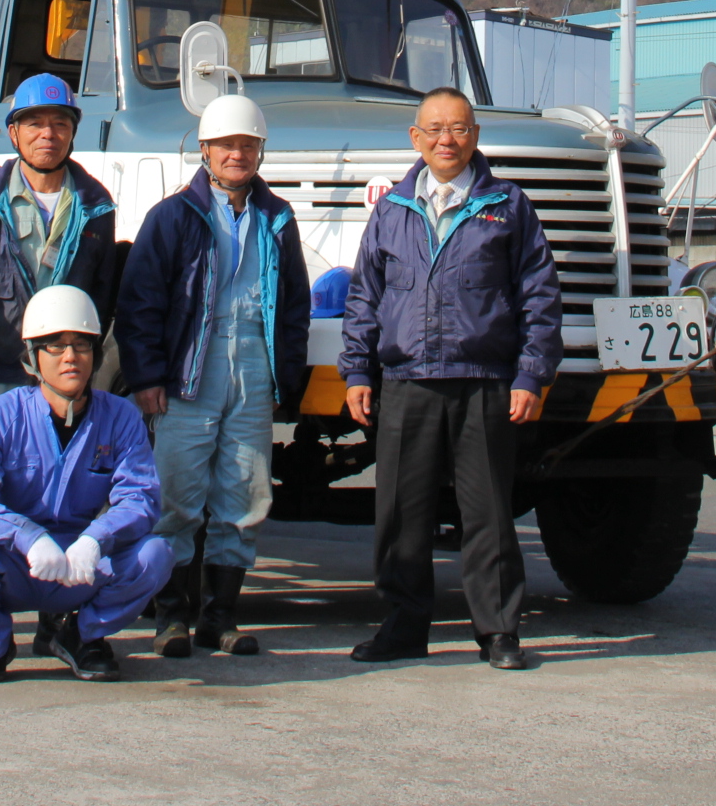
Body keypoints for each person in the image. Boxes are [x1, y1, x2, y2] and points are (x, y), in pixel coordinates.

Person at [339, 86, 562, 670]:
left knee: (487, 513)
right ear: (416, 138)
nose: (447, 139)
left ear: (475, 136)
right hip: (406, 379)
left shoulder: (507, 206)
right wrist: (357, 370)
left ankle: (498, 631)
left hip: (482, 380)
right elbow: (364, 297)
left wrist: (531, 375)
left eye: (459, 128)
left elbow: (539, 295)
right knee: (401, 514)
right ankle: (403, 626)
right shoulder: (392, 210)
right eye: (435, 129)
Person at [116, 91, 310, 658]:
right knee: (176, 496)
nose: (237, 154)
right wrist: (146, 377)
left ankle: (220, 618)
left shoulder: (278, 218)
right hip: (188, 372)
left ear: (260, 151)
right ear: (205, 150)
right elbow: (139, 304)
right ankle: (171, 617)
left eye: (247, 144)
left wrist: (285, 379)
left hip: (252, 367)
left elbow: (294, 305)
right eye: (226, 144)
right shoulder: (172, 216)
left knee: (244, 496)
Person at [0, 285, 176, 682]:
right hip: (14, 562)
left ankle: (80, 634)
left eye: (81, 345)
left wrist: (95, 539)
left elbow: (141, 498)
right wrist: (28, 537)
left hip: (81, 565)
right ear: (33, 356)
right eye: (55, 346)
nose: (70, 357)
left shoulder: (121, 417)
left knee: (156, 554)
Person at [0, 73, 118, 423]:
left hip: (67, 378)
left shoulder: (97, 207)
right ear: (13, 133)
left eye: (60, 123)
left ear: (73, 132)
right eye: (34, 123)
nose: (48, 134)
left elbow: (102, 294)